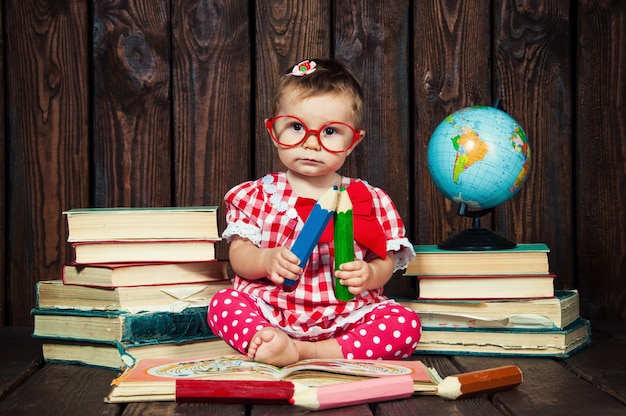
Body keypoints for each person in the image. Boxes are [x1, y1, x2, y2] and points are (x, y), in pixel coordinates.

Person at [208, 58, 420, 367]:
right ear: (272, 129)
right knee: (223, 304)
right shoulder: (258, 195)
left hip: (346, 316)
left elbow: (384, 260)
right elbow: (239, 255)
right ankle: (271, 342)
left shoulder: (370, 199)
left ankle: (307, 353)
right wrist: (266, 260)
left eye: (331, 131)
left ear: (353, 142)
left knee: (405, 324)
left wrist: (370, 274)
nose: (310, 143)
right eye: (296, 127)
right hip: (273, 310)